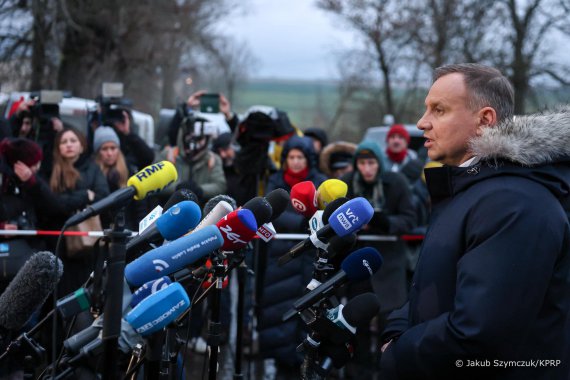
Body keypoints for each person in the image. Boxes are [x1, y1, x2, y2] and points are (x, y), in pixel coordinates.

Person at [379, 63, 570, 380]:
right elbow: (435, 289)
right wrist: (399, 327)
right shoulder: (474, 191)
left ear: (484, 120)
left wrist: (400, 354)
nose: (421, 123)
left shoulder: (514, 203)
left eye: (438, 110)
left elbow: (480, 334)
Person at [340, 139, 416, 379]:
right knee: (358, 321)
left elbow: (409, 219)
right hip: (359, 263)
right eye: (362, 163)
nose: (367, 169)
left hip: (389, 264)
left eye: (371, 162)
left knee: (390, 324)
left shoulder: (396, 183)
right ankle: (358, 371)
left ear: (379, 163)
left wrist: (384, 222)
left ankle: (387, 370)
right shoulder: (348, 185)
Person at [258, 135, 327, 378]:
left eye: (300, 157)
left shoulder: (321, 184)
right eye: (291, 157)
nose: (296, 162)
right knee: (281, 321)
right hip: (280, 262)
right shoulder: (275, 184)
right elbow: (268, 214)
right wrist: (299, 222)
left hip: (310, 262)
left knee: (308, 326)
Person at [93, 126, 148, 231]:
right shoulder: (93, 173)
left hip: (130, 230)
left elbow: (140, 206)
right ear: (98, 151)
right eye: (104, 149)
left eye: (113, 148)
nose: (109, 153)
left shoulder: (130, 170)